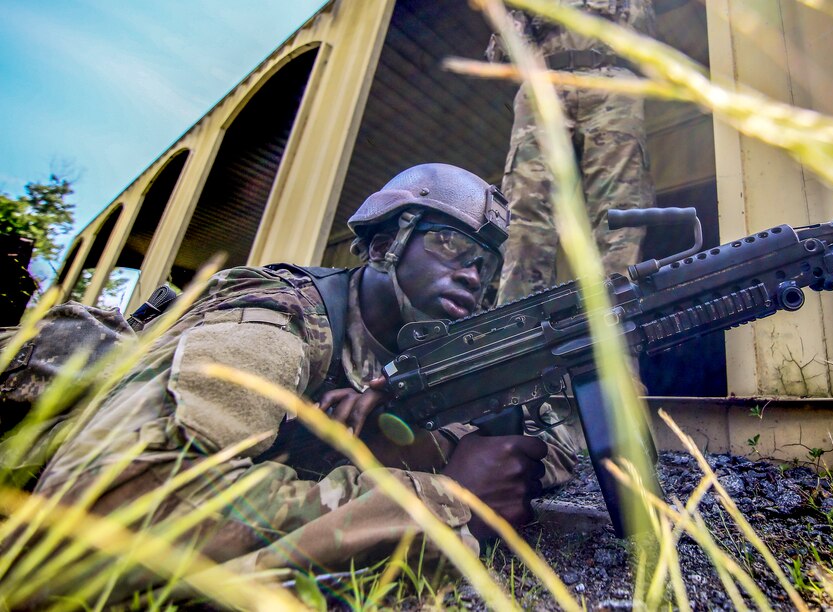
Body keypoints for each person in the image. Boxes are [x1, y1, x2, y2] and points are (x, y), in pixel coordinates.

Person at [29, 163, 578, 588]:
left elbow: (552, 450)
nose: (472, 273)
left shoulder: (424, 356)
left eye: (486, 263)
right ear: (386, 244)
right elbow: (114, 502)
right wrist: (439, 500)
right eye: (450, 243)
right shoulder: (276, 319)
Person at [486, 0, 657, 305]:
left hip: (611, 81)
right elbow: (507, 42)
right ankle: (517, 325)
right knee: (524, 213)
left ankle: (618, 317)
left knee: (620, 209)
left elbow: (643, 30)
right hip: (543, 82)